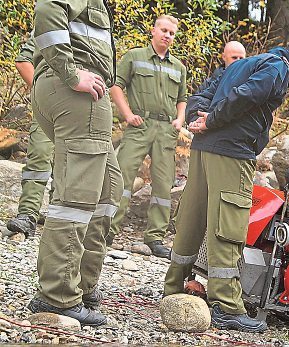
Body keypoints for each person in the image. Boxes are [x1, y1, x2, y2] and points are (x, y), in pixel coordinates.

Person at [163, 42, 289, 332]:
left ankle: (173, 288)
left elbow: (202, 94)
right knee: (229, 226)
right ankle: (226, 306)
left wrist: (200, 118)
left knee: (192, 220)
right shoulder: (278, 66)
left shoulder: (237, 65)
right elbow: (247, 96)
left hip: (203, 150)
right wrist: (212, 120)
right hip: (233, 152)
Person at [27, 0, 123, 327]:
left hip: (80, 91)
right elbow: (47, 8)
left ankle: (82, 283)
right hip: (77, 90)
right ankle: (58, 294)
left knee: (108, 190)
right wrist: (70, 73)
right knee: (77, 198)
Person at [107, 15, 187, 259]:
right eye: (163, 30)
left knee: (163, 185)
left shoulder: (179, 67)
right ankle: (107, 230)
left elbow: (183, 98)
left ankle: (155, 238)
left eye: (172, 33)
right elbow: (115, 85)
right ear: (153, 31)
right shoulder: (134, 57)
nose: (167, 35)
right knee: (122, 176)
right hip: (140, 124)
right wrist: (127, 114)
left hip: (165, 130)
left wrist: (180, 119)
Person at [6, 33, 54, 239]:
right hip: (48, 106)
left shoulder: (95, 27)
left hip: (80, 109)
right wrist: (43, 92)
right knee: (39, 157)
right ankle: (28, 215)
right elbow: (23, 61)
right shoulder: (52, 19)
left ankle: (59, 221)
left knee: (72, 165)